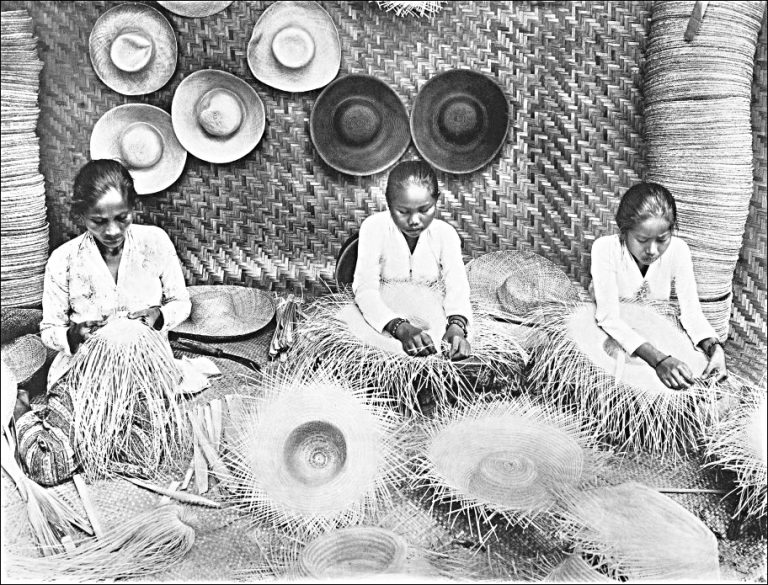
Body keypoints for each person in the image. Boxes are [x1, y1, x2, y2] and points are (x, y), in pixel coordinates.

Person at [14, 159, 191, 485]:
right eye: (99, 221)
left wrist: (159, 316)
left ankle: (101, 432)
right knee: (48, 466)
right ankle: (21, 410)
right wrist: (72, 336)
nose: (112, 231)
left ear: (133, 207)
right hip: (86, 374)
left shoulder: (154, 242)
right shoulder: (64, 260)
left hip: (144, 372)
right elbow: (49, 330)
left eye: (122, 218)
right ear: (81, 215)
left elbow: (181, 303)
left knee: (148, 454)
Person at [590, 182, 727, 390]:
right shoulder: (605, 249)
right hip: (610, 336)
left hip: (654, 331)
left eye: (662, 239)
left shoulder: (679, 250)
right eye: (642, 239)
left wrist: (715, 349)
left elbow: (692, 314)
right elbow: (609, 318)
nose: (652, 250)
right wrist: (660, 361)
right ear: (623, 231)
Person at [353, 160, 472, 361]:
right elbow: (365, 290)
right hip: (380, 317)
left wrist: (456, 327)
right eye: (403, 211)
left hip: (433, 317)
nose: (414, 221)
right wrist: (400, 328)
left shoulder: (445, 234)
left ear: (436, 201)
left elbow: (457, 288)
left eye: (425, 210)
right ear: (389, 203)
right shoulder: (373, 228)